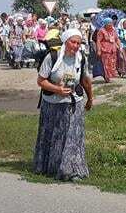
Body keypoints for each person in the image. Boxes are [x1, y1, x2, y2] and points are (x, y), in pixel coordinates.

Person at [33, 29, 95, 181]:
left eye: (78, 43)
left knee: (73, 137)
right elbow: (41, 81)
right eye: (73, 42)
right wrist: (57, 89)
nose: (75, 46)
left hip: (74, 102)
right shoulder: (52, 57)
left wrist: (90, 98)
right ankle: (52, 167)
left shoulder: (81, 58)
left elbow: (85, 80)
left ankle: (72, 170)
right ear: (65, 42)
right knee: (54, 136)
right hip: (53, 104)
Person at [96, 16, 121, 82]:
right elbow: (98, 41)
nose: (110, 24)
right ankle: (106, 78)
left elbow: (117, 39)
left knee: (112, 63)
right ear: (105, 24)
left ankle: (109, 76)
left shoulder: (113, 30)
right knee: (105, 64)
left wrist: (119, 46)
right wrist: (98, 50)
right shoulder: (101, 31)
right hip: (105, 50)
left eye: (111, 23)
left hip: (113, 50)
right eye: (109, 23)